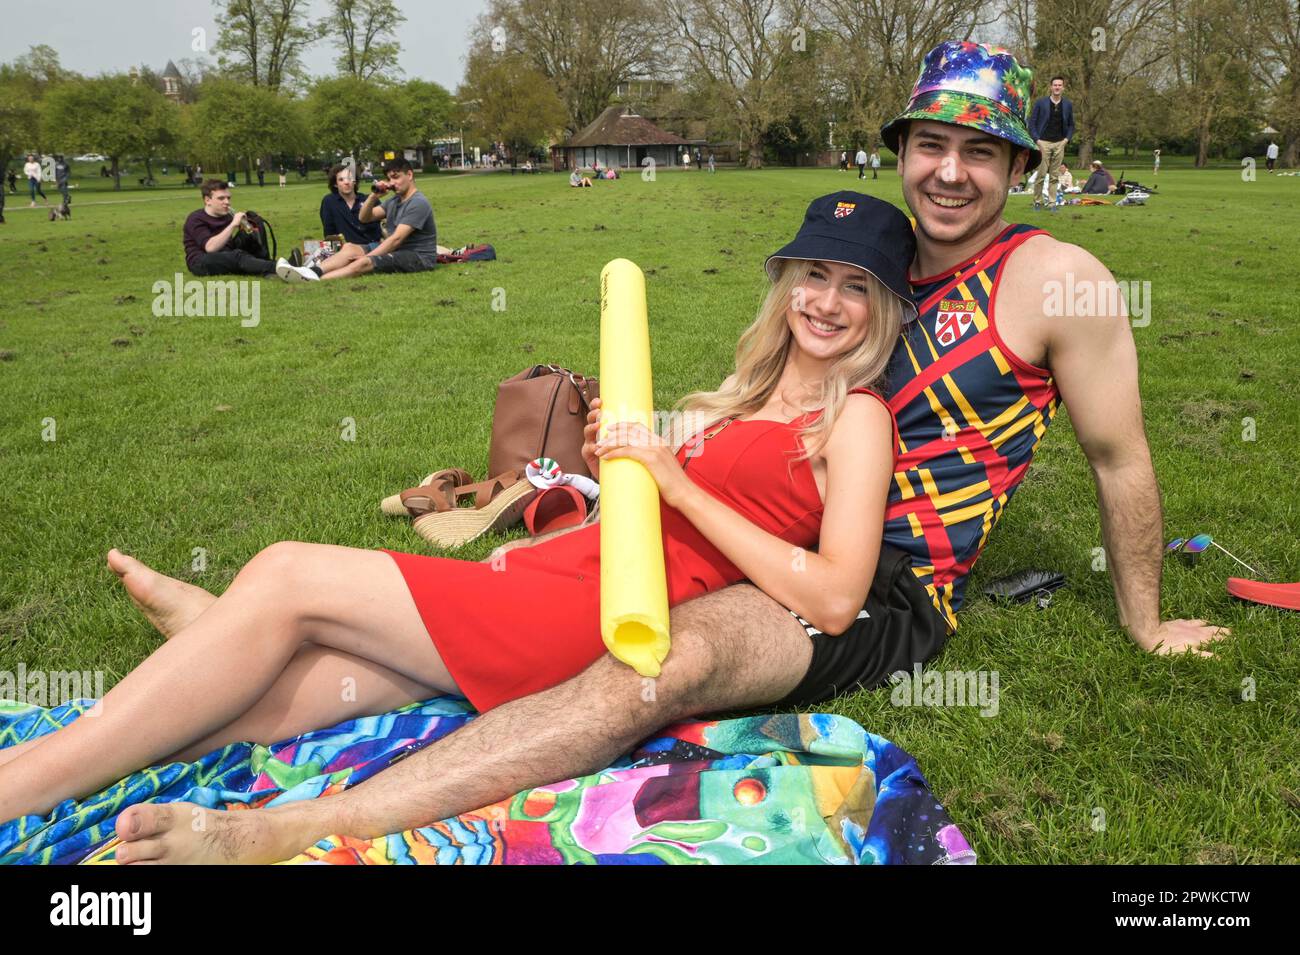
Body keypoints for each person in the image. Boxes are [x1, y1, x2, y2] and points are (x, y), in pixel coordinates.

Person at [7, 41, 1229, 864]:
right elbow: (763, 390)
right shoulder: (888, 257)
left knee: (662, 663)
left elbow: (1119, 461)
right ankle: (231, 650)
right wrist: (641, 444)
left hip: (887, 585)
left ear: (1020, 166)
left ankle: (301, 812)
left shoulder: (1053, 276)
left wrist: (1143, 620)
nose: (951, 172)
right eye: (931, 146)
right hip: (757, 531)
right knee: (360, 659)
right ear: (902, 152)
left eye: (981, 153)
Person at [0, 189, 919, 857]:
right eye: (814, 274)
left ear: (883, 306)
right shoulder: (746, 394)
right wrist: (619, 460)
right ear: (787, 283)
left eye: (856, 285)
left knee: (286, 571)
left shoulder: (855, 418)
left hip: (585, 616)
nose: (826, 302)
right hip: (554, 572)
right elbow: (654, 499)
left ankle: (24, 780)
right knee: (294, 689)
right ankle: (158, 708)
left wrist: (676, 485)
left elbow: (836, 597)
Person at [277, 157, 437, 282]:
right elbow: (364, 218)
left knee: (363, 263)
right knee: (349, 248)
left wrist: (370, 256)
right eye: (389, 179)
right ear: (335, 184)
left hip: (416, 257)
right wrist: (374, 196)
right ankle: (311, 271)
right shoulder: (393, 200)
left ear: (409, 175)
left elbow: (396, 239)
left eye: (396, 177)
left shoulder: (417, 202)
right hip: (387, 248)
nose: (392, 183)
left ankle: (312, 280)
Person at [181, 179, 276, 277]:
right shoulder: (195, 219)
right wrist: (233, 224)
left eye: (228, 198)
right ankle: (275, 267)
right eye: (221, 198)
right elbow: (210, 248)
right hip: (201, 261)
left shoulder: (227, 215)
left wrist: (250, 223)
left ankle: (267, 264)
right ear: (207, 200)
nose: (227, 202)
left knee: (253, 228)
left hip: (226, 254)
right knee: (237, 255)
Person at [1027, 75, 1075, 210]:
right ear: (1051, 87)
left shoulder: (1067, 104)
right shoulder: (1041, 103)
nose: (1057, 87)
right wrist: (1037, 140)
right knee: (1041, 174)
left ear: (1063, 88)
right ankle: (1037, 201)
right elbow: (1032, 124)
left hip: (1060, 143)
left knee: (1055, 176)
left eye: (1060, 85)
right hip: (1044, 143)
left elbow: (1071, 125)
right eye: (1055, 85)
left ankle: (1052, 202)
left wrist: (1066, 140)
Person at [319, 164, 383, 249]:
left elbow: (384, 226)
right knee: (318, 254)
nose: (346, 182)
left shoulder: (369, 200)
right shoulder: (329, 202)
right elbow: (329, 232)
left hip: (371, 246)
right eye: (341, 180)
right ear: (335, 184)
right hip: (343, 248)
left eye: (350, 178)